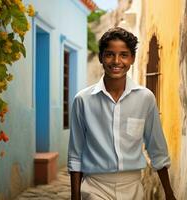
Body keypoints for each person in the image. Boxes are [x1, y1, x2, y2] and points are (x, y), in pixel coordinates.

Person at [67, 27, 176, 200]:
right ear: (101, 57)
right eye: (110, 54)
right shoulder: (83, 100)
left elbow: (157, 150)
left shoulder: (145, 98)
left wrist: (169, 193)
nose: (116, 61)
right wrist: (75, 197)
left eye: (124, 55)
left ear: (132, 59)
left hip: (132, 187)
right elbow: (75, 154)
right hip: (95, 186)